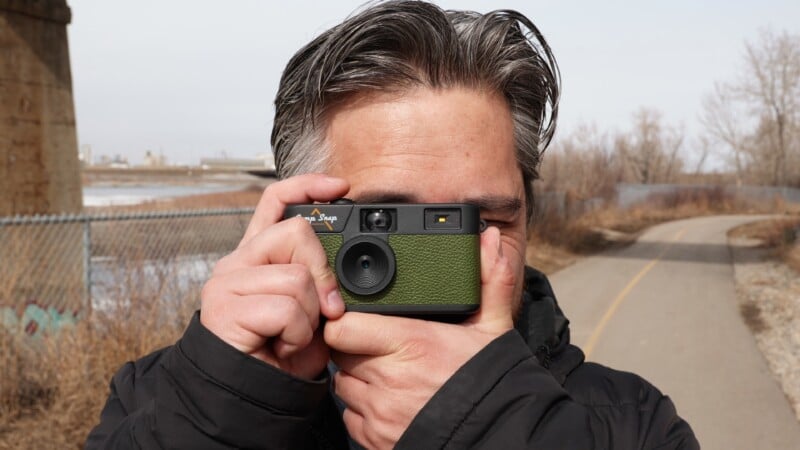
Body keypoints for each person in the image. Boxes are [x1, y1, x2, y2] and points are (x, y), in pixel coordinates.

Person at [86, 1, 699, 448]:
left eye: (485, 219)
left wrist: (496, 429)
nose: (448, 257)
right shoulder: (165, 404)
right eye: (386, 221)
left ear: (526, 217)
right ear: (301, 220)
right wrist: (228, 406)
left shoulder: (632, 426)